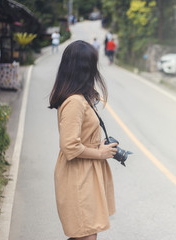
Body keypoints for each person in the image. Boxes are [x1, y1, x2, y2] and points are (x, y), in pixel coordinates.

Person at [48, 40, 117, 240]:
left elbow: (82, 136)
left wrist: (98, 145)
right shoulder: (75, 102)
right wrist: (100, 153)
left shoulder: (82, 98)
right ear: (85, 68)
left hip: (86, 174)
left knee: (85, 233)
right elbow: (69, 146)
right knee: (87, 234)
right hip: (77, 176)